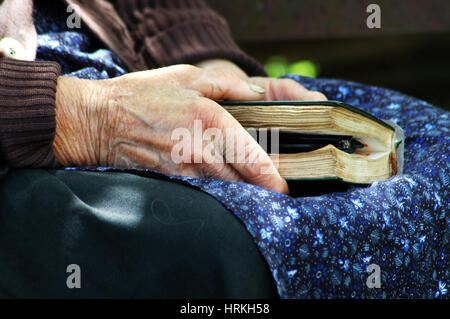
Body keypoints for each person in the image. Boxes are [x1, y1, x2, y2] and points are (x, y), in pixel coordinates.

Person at [0, 0, 326, 298]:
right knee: (225, 243)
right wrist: (88, 116)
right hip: (26, 148)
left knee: (368, 168)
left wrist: (211, 68)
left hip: (134, 79)